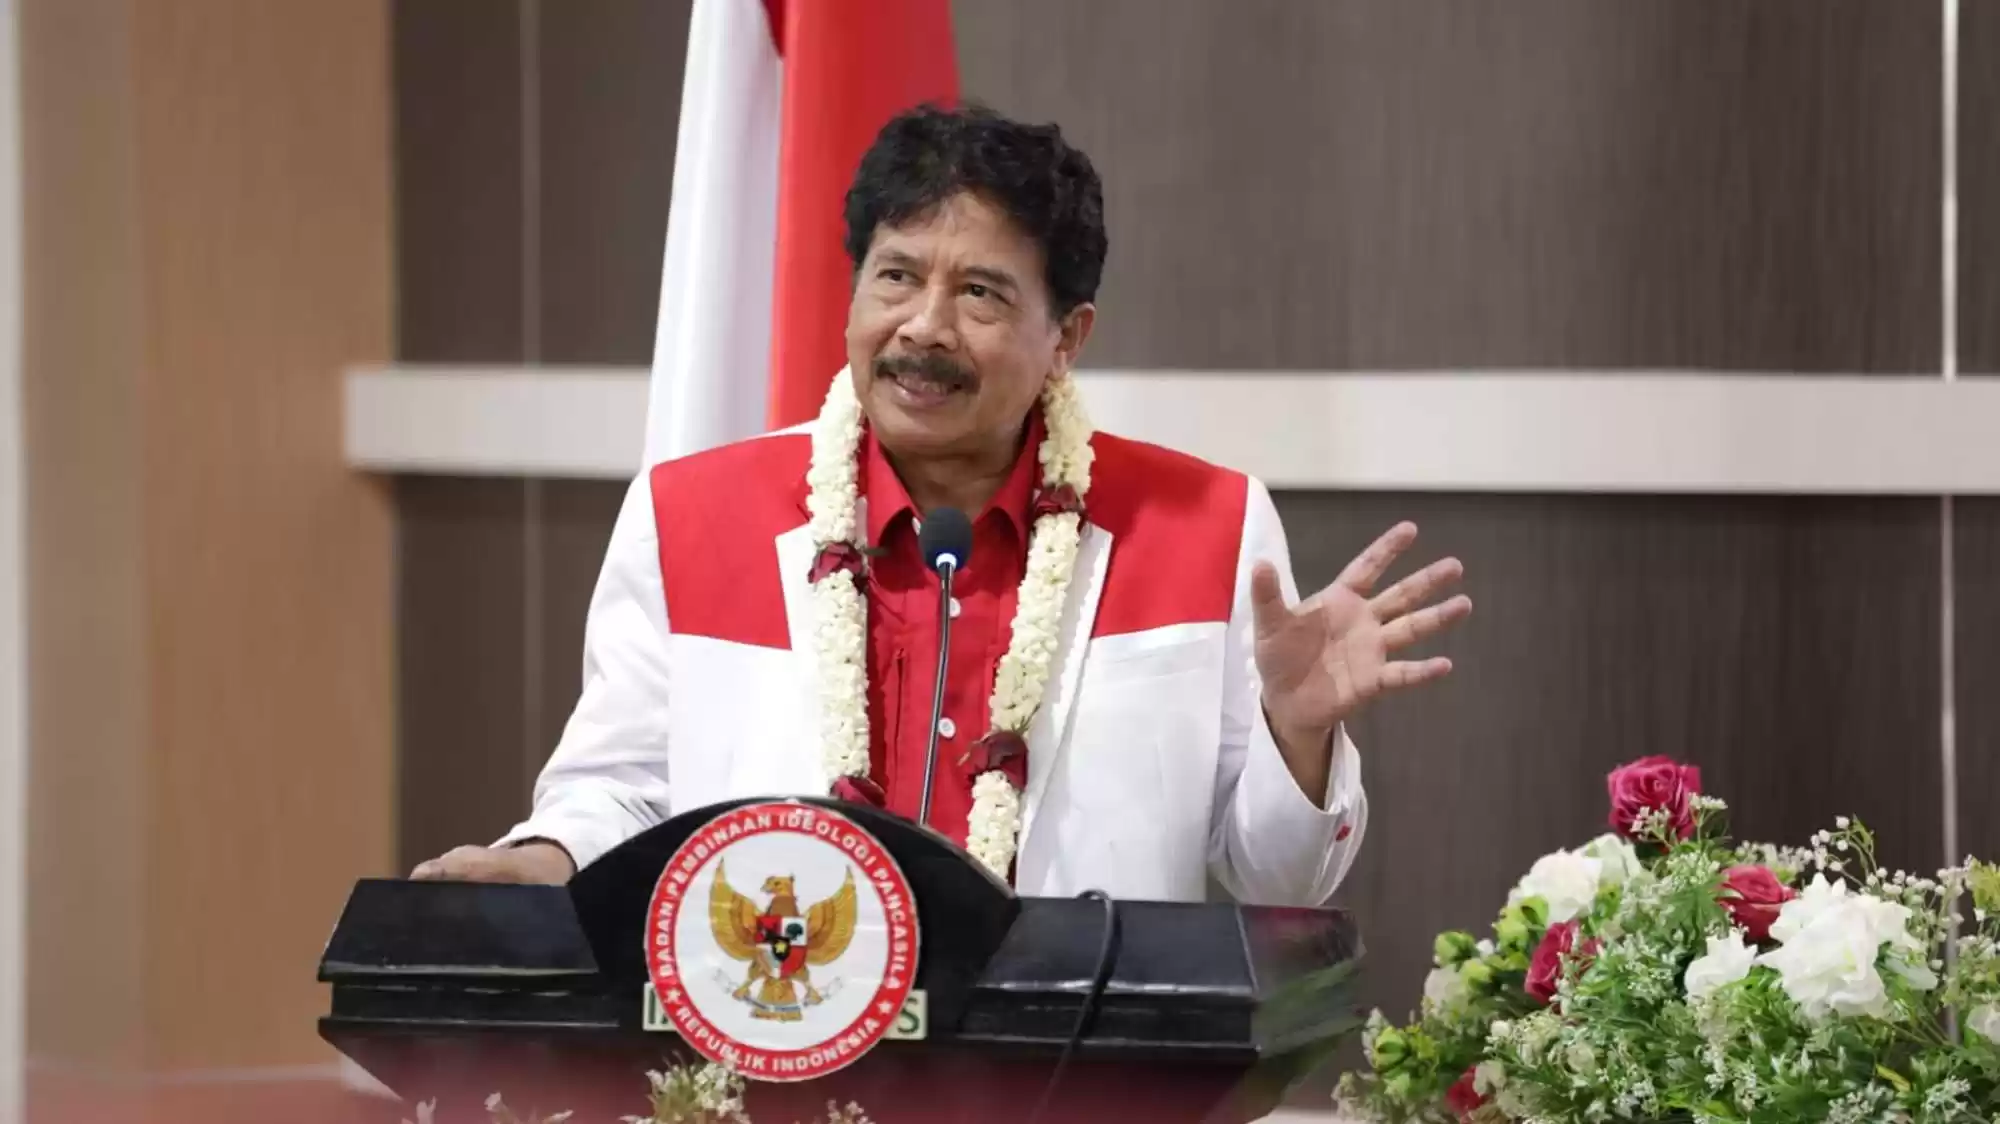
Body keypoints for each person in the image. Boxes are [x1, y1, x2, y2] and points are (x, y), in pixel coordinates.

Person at [413, 104, 1470, 905]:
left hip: (1076, 1077)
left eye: (979, 293)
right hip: (777, 1055)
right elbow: (620, 793)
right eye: (895, 277)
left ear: (1066, 336)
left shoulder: (1207, 526)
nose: (923, 327)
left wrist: (1295, 734)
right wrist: (540, 858)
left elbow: (1279, 881)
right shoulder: (691, 513)